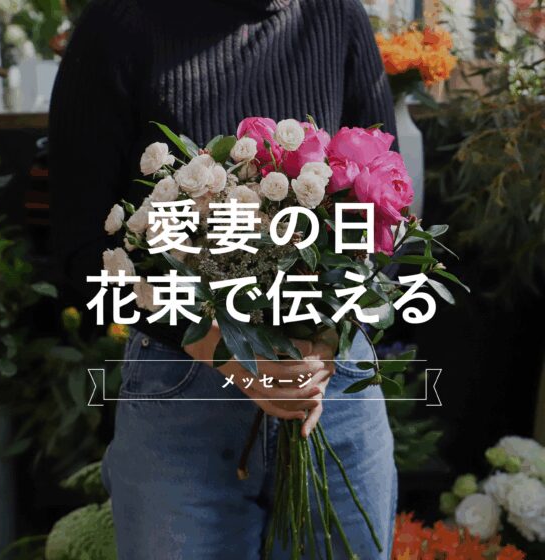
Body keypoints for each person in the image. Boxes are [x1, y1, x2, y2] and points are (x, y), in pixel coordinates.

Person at [49, 0, 398, 558]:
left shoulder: (336, 16)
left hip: (329, 386)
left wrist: (324, 343)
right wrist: (229, 354)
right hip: (183, 389)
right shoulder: (118, 25)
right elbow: (80, 248)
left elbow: (384, 213)